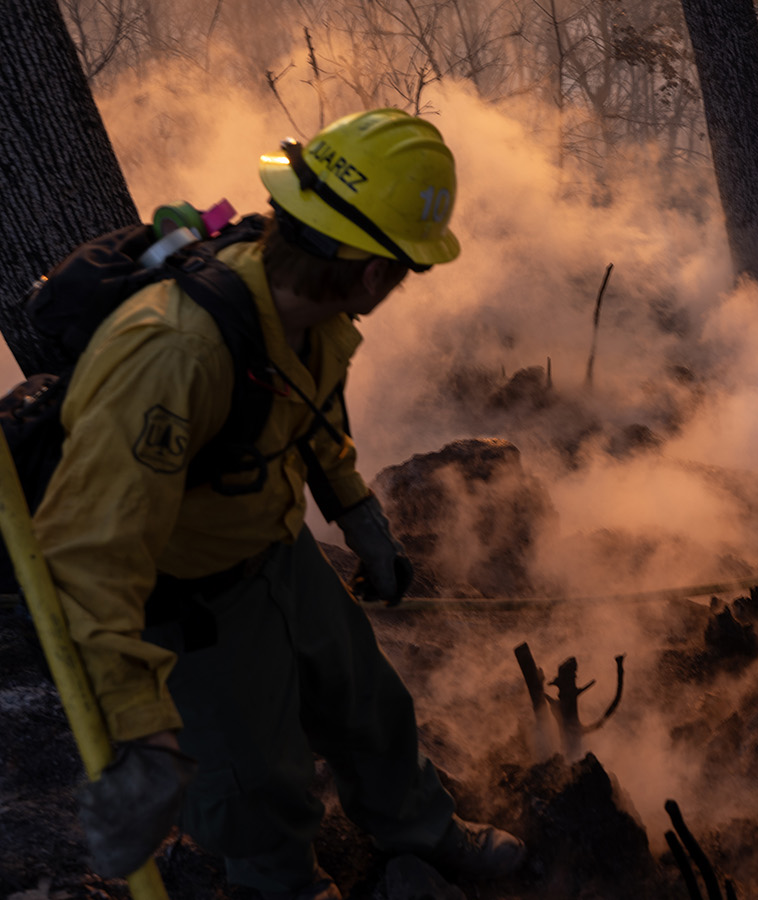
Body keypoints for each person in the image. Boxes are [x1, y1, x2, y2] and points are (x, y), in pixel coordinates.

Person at [33, 109, 525, 900]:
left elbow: (309, 416)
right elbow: (89, 552)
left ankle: (419, 829)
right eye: (409, 269)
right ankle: (284, 887)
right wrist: (138, 725)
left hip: (276, 548)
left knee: (369, 703)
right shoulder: (174, 353)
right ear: (374, 273)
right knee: (253, 781)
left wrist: (358, 514)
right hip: (190, 596)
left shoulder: (309, 315)